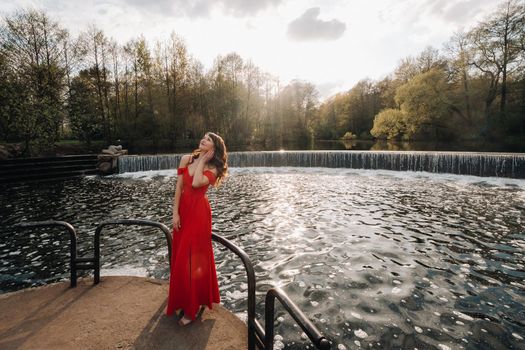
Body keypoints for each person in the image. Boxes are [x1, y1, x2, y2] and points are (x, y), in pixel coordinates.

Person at [166, 132, 228, 326]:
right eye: (203, 137)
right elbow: (179, 188)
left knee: (192, 258)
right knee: (180, 257)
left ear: (214, 148)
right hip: (183, 211)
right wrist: (175, 213)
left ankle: (191, 311)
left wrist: (202, 161)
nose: (203, 140)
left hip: (199, 215)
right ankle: (182, 299)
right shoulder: (185, 159)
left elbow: (195, 183)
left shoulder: (215, 167)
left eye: (208, 139)